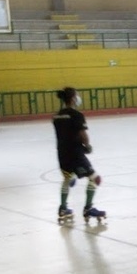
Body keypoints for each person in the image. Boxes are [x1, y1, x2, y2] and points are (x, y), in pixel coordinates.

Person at [52, 86, 106, 223]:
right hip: (76, 154)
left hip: (62, 154)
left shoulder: (57, 116)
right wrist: (87, 146)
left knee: (67, 178)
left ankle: (63, 208)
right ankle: (88, 208)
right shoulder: (77, 115)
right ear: (72, 98)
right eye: (77, 96)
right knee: (95, 179)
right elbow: (82, 134)